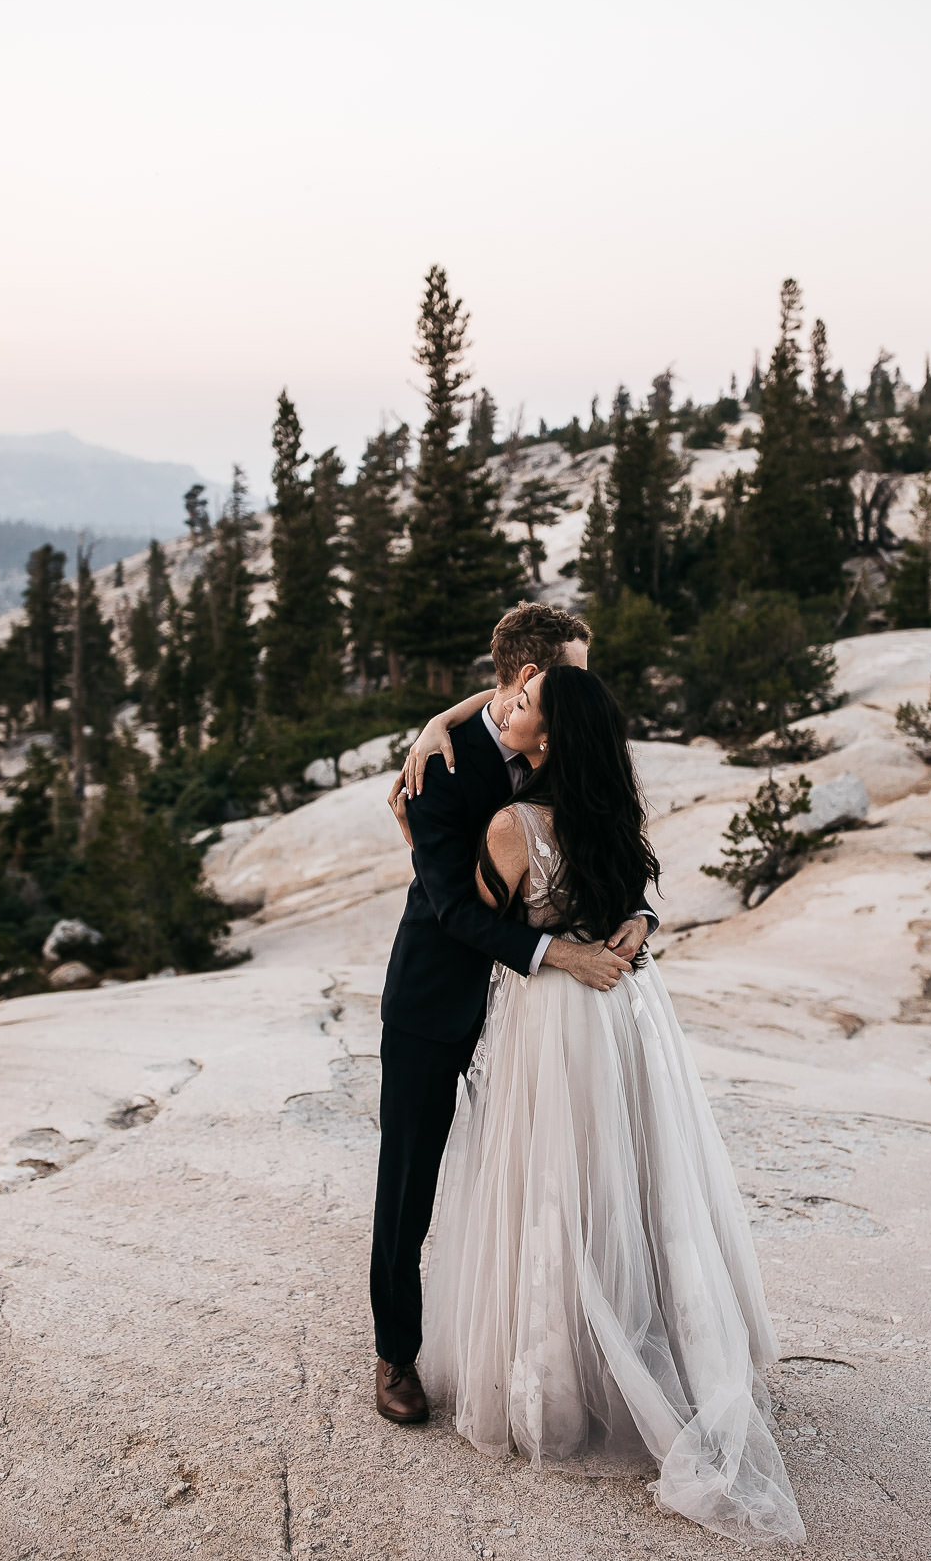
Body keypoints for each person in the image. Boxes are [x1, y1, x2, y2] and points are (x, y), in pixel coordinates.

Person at [419, 666, 805, 1545]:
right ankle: (657, 1340)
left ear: (549, 741)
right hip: (626, 1017)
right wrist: (632, 927)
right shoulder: (609, 813)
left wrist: (416, 832)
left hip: (553, 1024)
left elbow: (464, 915)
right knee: (632, 1180)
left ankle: (562, 1383)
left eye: (523, 707)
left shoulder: (514, 828)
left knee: (553, 1180)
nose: (506, 709)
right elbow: (634, 900)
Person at [371, 603, 658, 1426]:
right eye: (575, 673)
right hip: (437, 996)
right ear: (532, 678)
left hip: (538, 1020)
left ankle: (546, 1346)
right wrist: (555, 954)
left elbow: (604, 835)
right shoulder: (438, 765)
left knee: (543, 1180)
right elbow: (451, 909)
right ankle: (397, 1354)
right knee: (408, 1186)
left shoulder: (562, 733)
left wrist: (640, 915)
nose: (587, 689)